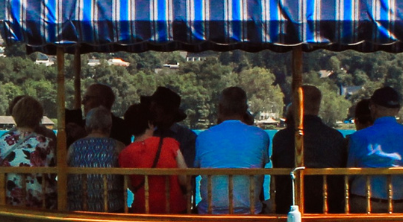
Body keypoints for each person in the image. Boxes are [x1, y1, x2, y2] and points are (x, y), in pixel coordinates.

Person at [271, 84, 349, 215]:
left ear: (295, 105)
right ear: (318, 106)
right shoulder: (335, 137)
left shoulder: (282, 137)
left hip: (288, 206)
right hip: (330, 207)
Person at [193, 85, 271, 214]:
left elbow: (196, 167)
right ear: (245, 109)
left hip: (209, 211)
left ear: (220, 108)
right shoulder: (260, 135)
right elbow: (259, 166)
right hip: (250, 211)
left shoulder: (203, 137)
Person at [345, 85, 403, 213]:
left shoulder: (359, 136)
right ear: (398, 109)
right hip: (401, 204)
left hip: (365, 204)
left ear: (372, 107)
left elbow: (349, 173)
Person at [118, 113, 191, 213]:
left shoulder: (124, 153)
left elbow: (130, 185)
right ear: (150, 124)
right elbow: (184, 179)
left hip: (142, 208)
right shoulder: (170, 144)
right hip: (174, 208)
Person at [0, 95, 55, 208]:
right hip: (41, 203)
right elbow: (53, 172)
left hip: (11, 202)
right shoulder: (46, 143)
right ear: (39, 117)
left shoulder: (1, 142)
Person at [66, 105, 125, 211]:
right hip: (111, 207)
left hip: (77, 207)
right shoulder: (118, 147)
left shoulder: (73, 147)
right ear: (109, 127)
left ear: (86, 126)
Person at [149, 84, 196, 163]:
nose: (152, 111)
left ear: (169, 113)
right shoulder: (148, 133)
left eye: (156, 108)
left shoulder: (187, 137)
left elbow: (189, 169)